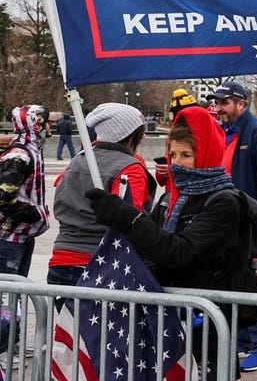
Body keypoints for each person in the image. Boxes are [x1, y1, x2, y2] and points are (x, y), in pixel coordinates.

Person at [86, 105, 242, 381]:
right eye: (173, 154)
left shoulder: (224, 200)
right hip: (170, 321)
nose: (177, 162)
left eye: (187, 154)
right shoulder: (174, 196)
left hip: (205, 327)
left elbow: (180, 252)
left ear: (208, 154)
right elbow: (152, 248)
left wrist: (128, 218)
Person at [207, 80, 257, 370]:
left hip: (252, 222)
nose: (219, 108)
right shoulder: (223, 131)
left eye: (225, 103)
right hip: (228, 220)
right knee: (232, 280)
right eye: (217, 102)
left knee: (252, 283)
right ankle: (240, 340)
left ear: (242, 103)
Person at [48, 103, 156, 289]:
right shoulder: (130, 168)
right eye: (140, 131)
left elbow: (59, 187)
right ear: (128, 134)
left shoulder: (78, 160)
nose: (144, 137)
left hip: (60, 263)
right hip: (100, 265)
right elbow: (131, 219)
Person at [0, 105, 50, 281]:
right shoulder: (20, 154)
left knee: (16, 296)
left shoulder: (33, 150)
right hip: (8, 239)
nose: (49, 127)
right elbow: (3, 198)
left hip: (22, 236)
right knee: (7, 300)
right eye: (47, 122)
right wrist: (33, 215)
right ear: (36, 124)